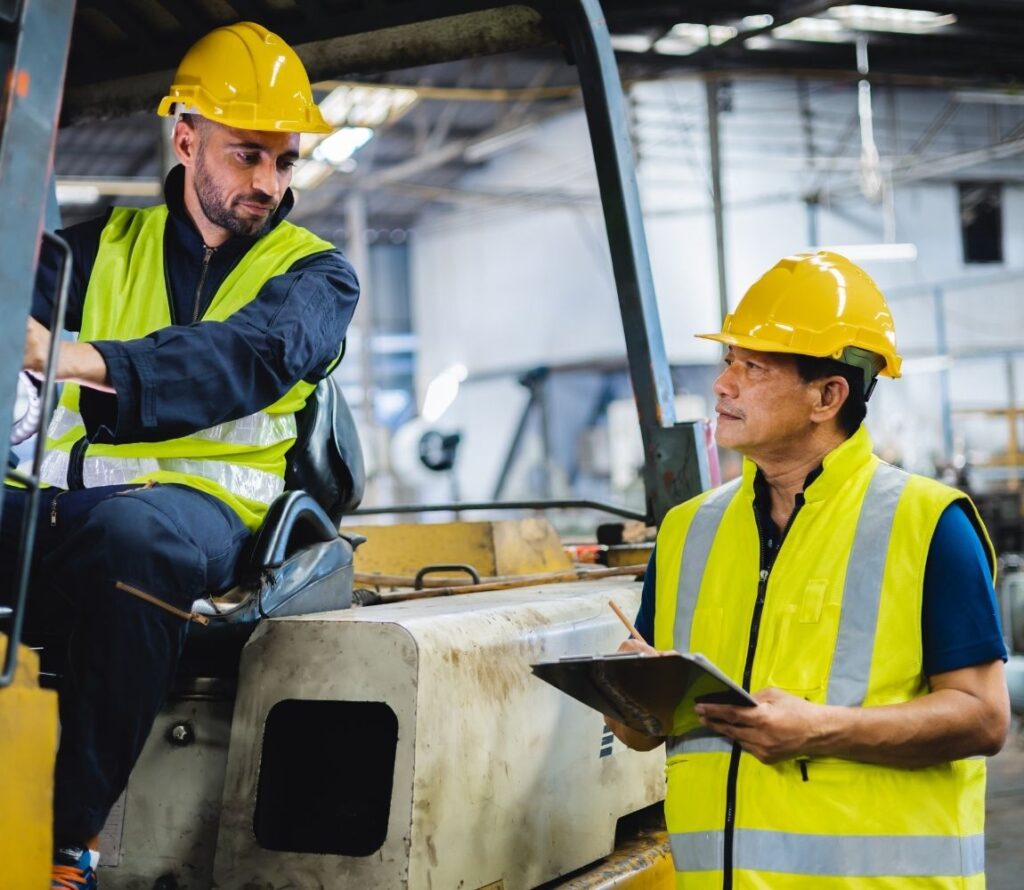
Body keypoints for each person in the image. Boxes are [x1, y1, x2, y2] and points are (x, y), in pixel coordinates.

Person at [2, 22, 358, 890]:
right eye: (248, 157)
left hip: (203, 520)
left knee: (133, 543)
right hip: (56, 507)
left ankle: (64, 835)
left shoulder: (316, 277)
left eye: (284, 162)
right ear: (187, 139)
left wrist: (75, 359)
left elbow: (248, 360)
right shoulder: (85, 253)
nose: (269, 184)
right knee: (102, 531)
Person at [608, 251, 1009, 889]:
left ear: (828, 395)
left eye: (753, 367)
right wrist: (626, 692)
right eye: (727, 362)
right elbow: (641, 733)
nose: (723, 385)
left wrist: (819, 728)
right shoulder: (687, 531)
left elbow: (982, 718)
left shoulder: (929, 524)